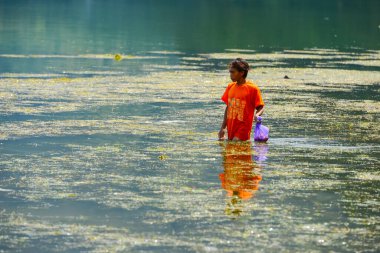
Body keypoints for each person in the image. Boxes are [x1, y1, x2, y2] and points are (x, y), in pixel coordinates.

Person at [218, 58, 265, 141]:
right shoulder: (230, 87)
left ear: (242, 73)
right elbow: (228, 107)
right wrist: (223, 128)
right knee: (231, 150)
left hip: (243, 128)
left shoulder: (252, 89)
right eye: (230, 72)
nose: (230, 74)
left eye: (233, 72)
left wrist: (257, 115)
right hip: (231, 127)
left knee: (236, 143)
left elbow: (261, 107)